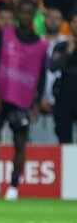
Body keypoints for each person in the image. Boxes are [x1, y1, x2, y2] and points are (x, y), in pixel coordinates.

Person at [0, 0, 48, 201]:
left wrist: (36, 103)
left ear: (34, 15)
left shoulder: (41, 45)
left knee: (20, 144)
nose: (26, 16)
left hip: (22, 100)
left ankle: (13, 187)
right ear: (18, 14)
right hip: (1, 96)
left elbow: (42, 76)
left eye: (29, 13)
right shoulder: (5, 35)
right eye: (23, 12)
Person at [49, 13, 77, 143]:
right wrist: (69, 51)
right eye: (75, 22)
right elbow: (53, 66)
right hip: (65, 96)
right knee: (64, 135)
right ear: (70, 24)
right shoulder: (61, 46)